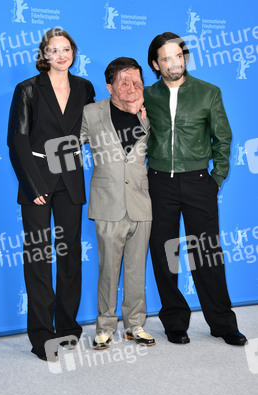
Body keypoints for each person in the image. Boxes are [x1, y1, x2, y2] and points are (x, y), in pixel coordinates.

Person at [144, 32, 247, 346]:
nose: (175, 63)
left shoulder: (208, 92)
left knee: (207, 255)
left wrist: (216, 178)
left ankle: (222, 323)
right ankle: (175, 321)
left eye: (179, 56)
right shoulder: (147, 95)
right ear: (155, 64)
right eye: (167, 58)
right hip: (159, 182)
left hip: (199, 182)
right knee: (166, 255)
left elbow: (223, 139)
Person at [7, 28, 95, 361]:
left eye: (66, 49)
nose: (61, 55)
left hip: (71, 179)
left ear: (74, 52)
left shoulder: (85, 88)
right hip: (38, 182)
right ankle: (42, 335)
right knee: (39, 258)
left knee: (70, 256)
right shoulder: (27, 89)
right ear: (44, 55)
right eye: (53, 50)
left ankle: (69, 328)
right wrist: (33, 185)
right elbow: (17, 141)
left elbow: (91, 128)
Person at [80, 57, 155, 350]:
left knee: (136, 268)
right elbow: (72, 145)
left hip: (141, 201)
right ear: (109, 85)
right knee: (108, 269)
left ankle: (135, 324)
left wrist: (142, 118)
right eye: (124, 81)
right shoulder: (91, 112)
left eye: (137, 81)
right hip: (107, 201)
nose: (131, 86)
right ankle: (105, 326)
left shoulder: (150, 114)